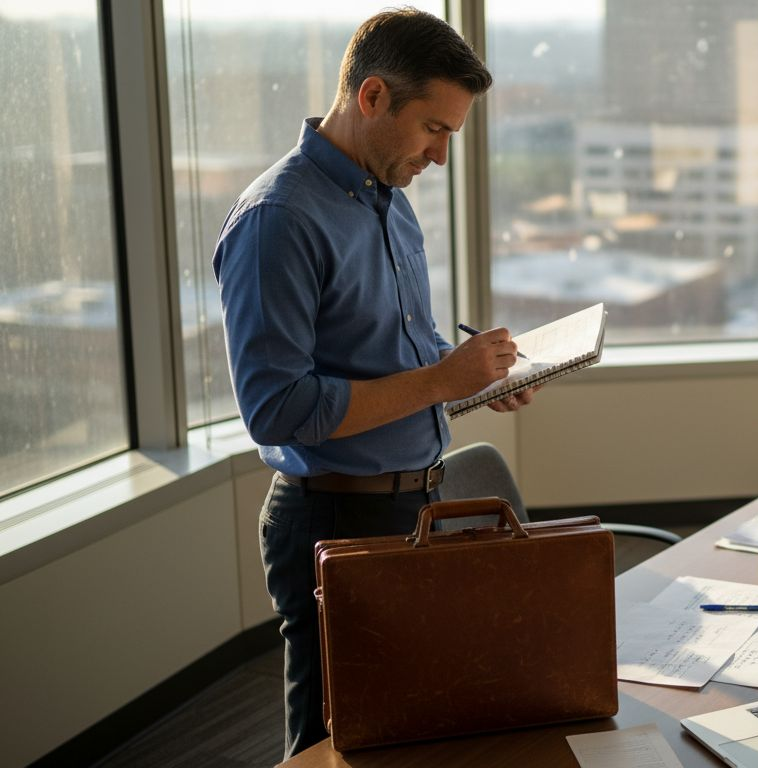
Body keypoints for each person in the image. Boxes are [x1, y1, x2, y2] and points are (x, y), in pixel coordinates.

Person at [212, 10, 531, 759]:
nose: (441, 156)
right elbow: (277, 410)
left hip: (414, 506)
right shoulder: (278, 219)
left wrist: (473, 378)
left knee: (408, 728)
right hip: (335, 518)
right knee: (336, 745)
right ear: (373, 96)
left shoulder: (387, 197)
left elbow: (395, 354)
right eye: (434, 129)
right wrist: (440, 379)